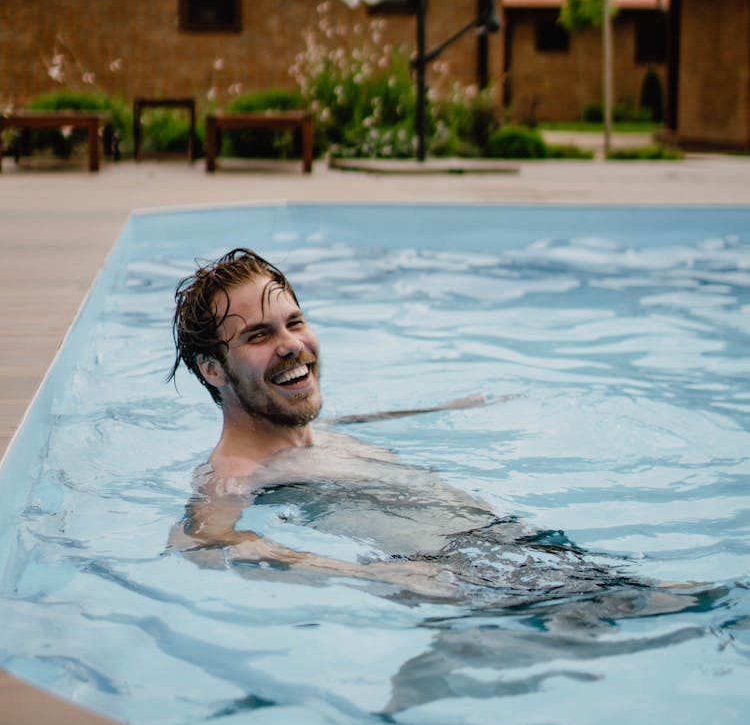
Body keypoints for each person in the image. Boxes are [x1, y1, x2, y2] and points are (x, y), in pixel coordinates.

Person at [167, 247, 699, 608]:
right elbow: (203, 545)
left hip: (525, 552)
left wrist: (456, 406)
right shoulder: (235, 475)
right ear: (213, 369)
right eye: (260, 335)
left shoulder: (313, 431)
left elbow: (352, 419)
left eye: (296, 322)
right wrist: (372, 577)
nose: (291, 345)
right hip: (486, 584)